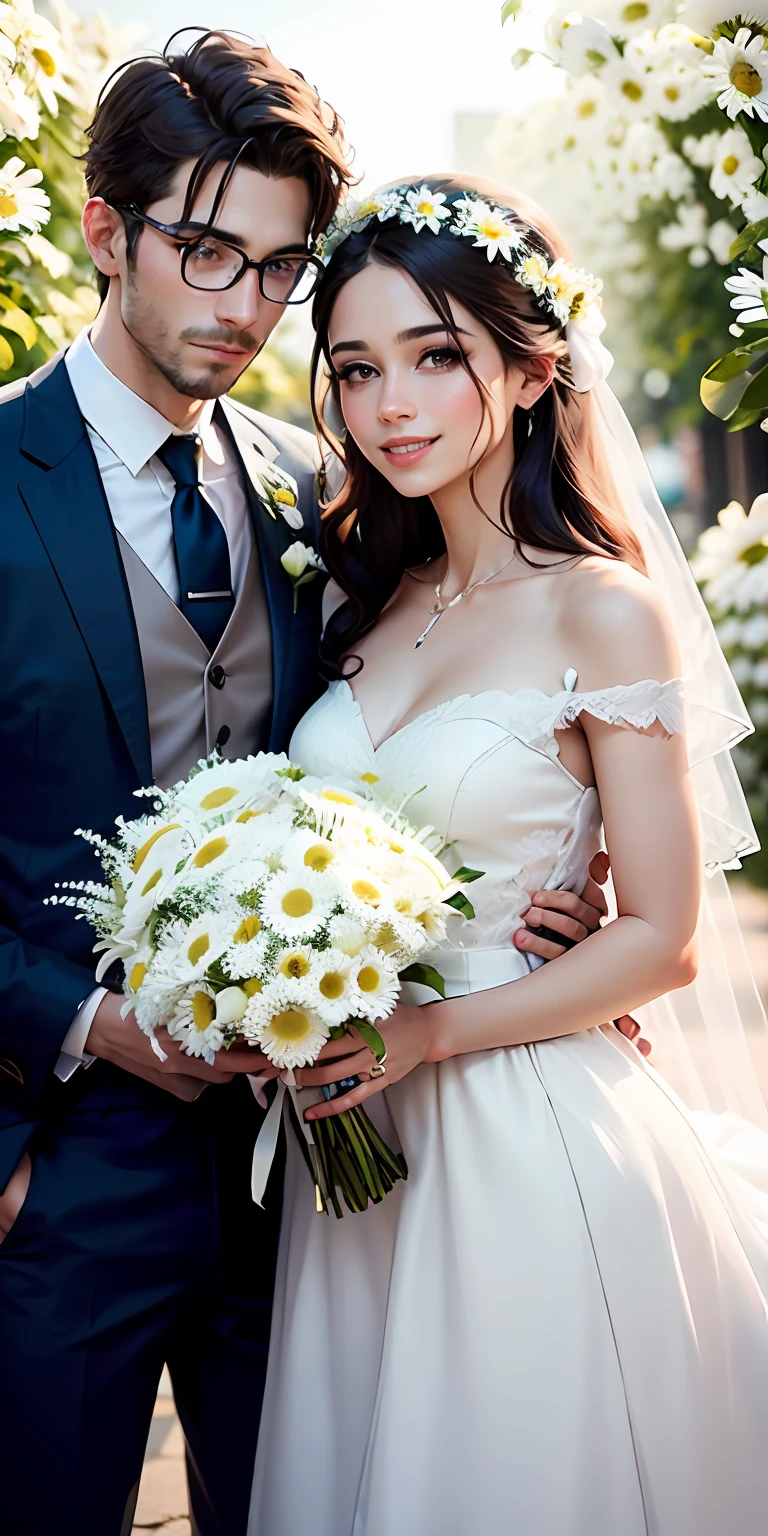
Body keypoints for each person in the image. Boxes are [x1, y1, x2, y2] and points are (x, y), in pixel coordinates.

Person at [0, 37, 606, 1535]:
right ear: (103, 232)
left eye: (277, 271)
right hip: (52, 1170)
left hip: (321, 1187)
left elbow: (452, 728)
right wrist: (57, 1062)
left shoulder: (314, 490)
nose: (244, 309)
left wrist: (569, 897)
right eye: (205, 253)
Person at [244, 176, 768, 1535]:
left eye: (436, 356)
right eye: (356, 369)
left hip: (521, 1128)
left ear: (535, 370)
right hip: (352, 1151)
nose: (390, 406)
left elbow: (662, 933)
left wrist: (436, 1032)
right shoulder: (360, 591)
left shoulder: (602, 611)